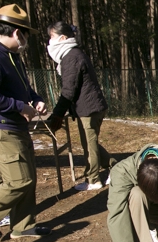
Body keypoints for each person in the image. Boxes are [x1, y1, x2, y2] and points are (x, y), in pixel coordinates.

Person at [0, 4, 52, 240]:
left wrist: (35, 100)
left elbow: (23, 88)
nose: (27, 41)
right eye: (26, 35)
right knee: (20, 180)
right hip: (1, 127)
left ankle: (22, 225)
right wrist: (19, 107)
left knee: (27, 177)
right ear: (17, 33)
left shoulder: (12, 56)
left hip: (15, 125)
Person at [46, 21, 117, 191]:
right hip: (88, 107)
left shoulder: (72, 57)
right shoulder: (73, 55)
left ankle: (93, 179)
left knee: (89, 145)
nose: (49, 42)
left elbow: (68, 90)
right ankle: (115, 167)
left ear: (63, 38)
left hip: (89, 108)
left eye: (52, 37)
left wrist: (57, 114)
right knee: (90, 142)